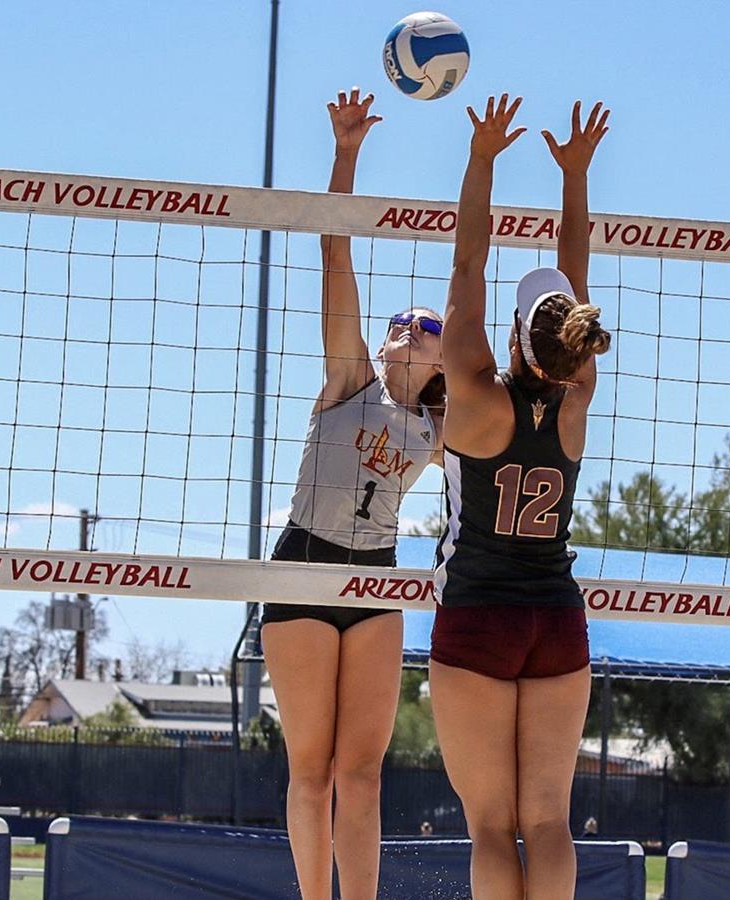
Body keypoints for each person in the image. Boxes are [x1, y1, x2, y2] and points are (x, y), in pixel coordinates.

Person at [258, 89, 446, 900]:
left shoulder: (444, 432)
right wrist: (345, 153)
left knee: (360, 776)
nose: (409, 324)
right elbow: (336, 257)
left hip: (374, 574)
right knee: (311, 772)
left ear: (444, 359)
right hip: (303, 566)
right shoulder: (351, 380)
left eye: (428, 324)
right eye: (401, 319)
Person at [430, 95, 612, 899]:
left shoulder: (474, 398)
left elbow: (466, 270)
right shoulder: (577, 399)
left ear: (512, 337)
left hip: (477, 616)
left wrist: (481, 159)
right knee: (549, 823)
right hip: (555, 616)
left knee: (490, 825)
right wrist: (575, 179)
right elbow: (572, 287)